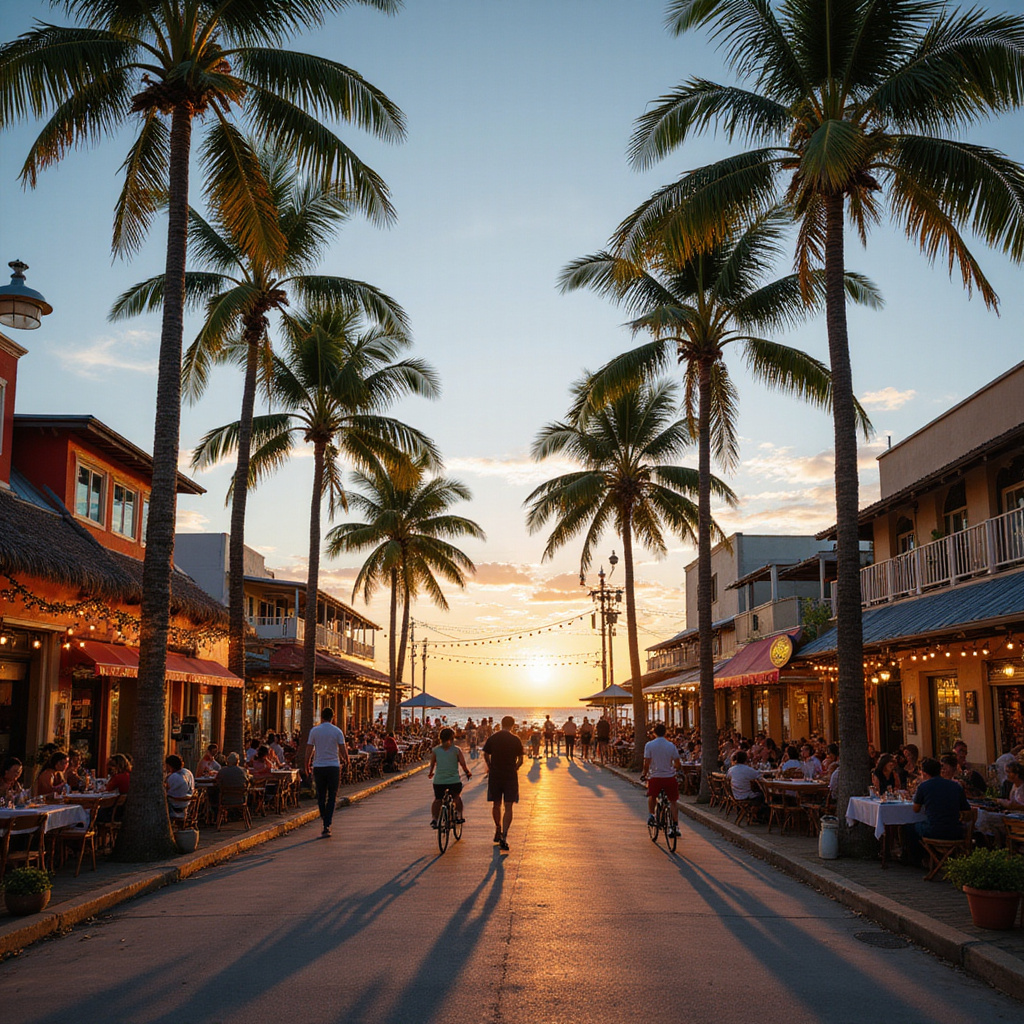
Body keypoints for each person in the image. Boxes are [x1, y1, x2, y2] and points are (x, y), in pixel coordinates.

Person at [907, 757, 974, 862]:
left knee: (909, 827)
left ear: (924, 773)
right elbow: (968, 812)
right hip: (955, 831)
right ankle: (934, 858)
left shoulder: (924, 786)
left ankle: (918, 859)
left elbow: (916, 809)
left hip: (934, 830)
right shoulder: (955, 786)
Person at [305, 707, 350, 838]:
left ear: (321, 717)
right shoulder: (337, 731)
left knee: (321, 795)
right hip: (333, 767)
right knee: (332, 796)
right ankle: (327, 823)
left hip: (318, 766)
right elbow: (342, 748)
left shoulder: (314, 731)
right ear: (333, 717)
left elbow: (309, 748)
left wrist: (306, 763)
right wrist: (346, 761)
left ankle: (325, 818)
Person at [483, 715, 524, 851]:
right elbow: (520, 759)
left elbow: (486, 753)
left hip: (495, 775)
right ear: (512, 725)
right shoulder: (515, 739)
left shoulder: (493, 738)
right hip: (510, 775)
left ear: (501, 724)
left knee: (496, 804)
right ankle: (504, 836)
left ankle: (498, 827)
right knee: (508, 806)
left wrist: (490, 765)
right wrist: (515, 767)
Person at [642, 723, 681, 837]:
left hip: (655, 776)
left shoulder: (649, 745)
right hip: (669, 777)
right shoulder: (671, 746)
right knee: (673, 801)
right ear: (665, 733)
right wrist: (674, 769)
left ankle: (651, 815)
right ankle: (675, 825)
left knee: (652, 796)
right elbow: (677, 762)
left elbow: (647, 762)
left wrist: (644, 774)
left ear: (654, 733)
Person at [428, 727, 472, 828]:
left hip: (439, 781)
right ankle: (459, 815)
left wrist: (431, 773)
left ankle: (434, 819)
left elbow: (432, 764)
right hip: (454, 781)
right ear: (452, 738)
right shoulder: (456, 750)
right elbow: (463, 764)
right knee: (456, 797)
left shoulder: (436, 750)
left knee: (438, 799)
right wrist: (467, 772)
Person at [727, 750, 764, 816]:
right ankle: (755, 815)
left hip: (735, 794)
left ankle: (747, 812)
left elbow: (727, 777)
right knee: (761, 795)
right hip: (746, 795)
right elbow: (759, 776)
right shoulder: (748, 769)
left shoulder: (731, 770)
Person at [164, 753, 195, 822]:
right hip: (187, 804)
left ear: (170, 766)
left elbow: (166, 789)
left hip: (175, 805)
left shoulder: (173, 777)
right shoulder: (188, 772)